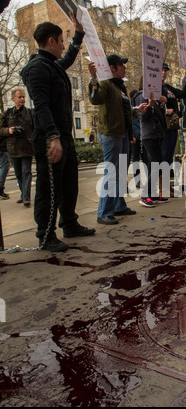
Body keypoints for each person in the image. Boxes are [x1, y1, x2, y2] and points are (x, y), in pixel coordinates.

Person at [21, 14, 96, 252]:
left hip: (64, 135)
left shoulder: (51, 65)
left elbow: (68, 58)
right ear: (52, 41)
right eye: (62, 41)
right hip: (49, 138)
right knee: (49, 188)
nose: (63, 46)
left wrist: (78, 34)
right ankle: (45, 234)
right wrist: (52, 137)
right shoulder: (37, 68)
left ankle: (69, 223)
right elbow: (41, 106)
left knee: (68, 184)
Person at [88, 55, 149, 225]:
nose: (125, 68)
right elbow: (95, 98)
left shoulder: (119, 87)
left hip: (121, 133)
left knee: (121, 172)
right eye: (122, 65)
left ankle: (118, 206)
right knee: (112, 172)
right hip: (111, 133)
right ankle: (104, 212)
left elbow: (123, 110)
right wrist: (93, 79)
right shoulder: (106, 83)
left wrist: (137, 109)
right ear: (112, 68)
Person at [131, 79, 168, 207]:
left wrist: (161, 105)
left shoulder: (152, 97)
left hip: (155, 134)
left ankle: (151, 193)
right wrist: (151, 105)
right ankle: (146, 195)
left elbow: (159, 116)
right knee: (156, 165)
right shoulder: (142, 96)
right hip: (149, 135)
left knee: (156, 165)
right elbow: (142, 117)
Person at [0, 88, 34, 206]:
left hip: (27, 148)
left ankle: (26, 198)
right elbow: (0, 130)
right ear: (13, 99)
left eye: (23, 97)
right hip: (13, 148)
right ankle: (23, 194)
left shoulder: (30, 113)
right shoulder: (7, 114)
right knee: (19, 174)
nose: (22, 99)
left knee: (26, 172)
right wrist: (8, 130)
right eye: (19, 97)